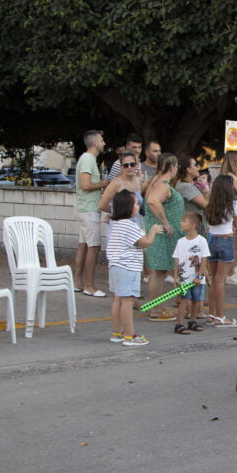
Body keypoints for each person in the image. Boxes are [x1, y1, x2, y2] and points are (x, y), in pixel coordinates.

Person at [107, 190, 163, 346]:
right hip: (127, 267)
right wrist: (153, 232)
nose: (138, 207)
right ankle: (130, 336)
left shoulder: (117, 224)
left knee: (118, 299)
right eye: (136, 204)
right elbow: (145, 243)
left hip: (115, 265)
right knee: (128, 300)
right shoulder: (130, 225)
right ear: (128, 207)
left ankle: (117, 332)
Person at [143, 153, 184, 321]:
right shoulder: (163, 184)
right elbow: (153, 201)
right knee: (158, 271)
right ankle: (155, 309)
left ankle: (157, 306)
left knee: (158, 271)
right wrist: (166, 222)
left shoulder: (157, 181)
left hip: (160, 233)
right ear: (172, 167)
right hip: (161, 234)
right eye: (177, 167)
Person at [73, 129, 111, 297]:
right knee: (94, 247)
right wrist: (102, 183)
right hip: (89, 210)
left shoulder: (86, 159)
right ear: (95, 142)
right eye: (102, 140)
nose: (104, 143)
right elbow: (86, 185)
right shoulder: (88, 159)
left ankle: (77, 282)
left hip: (83, 209)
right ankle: (89, 285)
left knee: (83, 246)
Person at [204, 175, 237, 327]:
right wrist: (234, 228)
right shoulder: (233, 205)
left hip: (212, 240)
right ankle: (220, 316)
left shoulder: (211, 204)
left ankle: (211, 314)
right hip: (226, 240)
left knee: (214, 279)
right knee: (221, 280)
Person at [172, 212, 210, 334]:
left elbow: (204, 259)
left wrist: (199, 276)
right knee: (184, 300)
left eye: (184, 221)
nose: (181, 223)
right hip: (184, 278)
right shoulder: (180, 242)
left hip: (197, 278)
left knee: (195, 300)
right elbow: (177, 259)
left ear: (193, 225)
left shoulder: (202, 241)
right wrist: (175, 276)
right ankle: (179, 323)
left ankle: (192, 321)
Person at [98, 151, 144, 236]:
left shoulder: (139, 181)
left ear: (136, 165)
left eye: (132, 164)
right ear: (121, 167)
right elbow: (102, 205)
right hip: (120, 229)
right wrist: (116, 212)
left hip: (137, 225)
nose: (129, 167)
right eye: (126, 165)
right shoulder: (116, 183)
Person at [221, 151, 237, 286]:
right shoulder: (232, 177)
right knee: (236, 244)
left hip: (235, 209)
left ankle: (235, 269)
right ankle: (231, 273)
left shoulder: (228, 176)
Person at [175, 156, 209, 237]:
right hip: (193, 229)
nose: (198, 167)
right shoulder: (186, 187)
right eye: (196, 165)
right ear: (188, 169)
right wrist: (207, 191)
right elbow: (207, 205)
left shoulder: (182, 183)